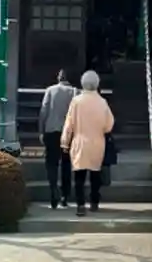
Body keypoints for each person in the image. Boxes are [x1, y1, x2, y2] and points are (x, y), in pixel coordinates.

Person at [61, 69, 115, 216]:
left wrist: (65, 142)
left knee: (79, 176)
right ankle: (94, 202)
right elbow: (109, 125)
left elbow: (69, 124)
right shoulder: (102, 102)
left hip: (79, 142)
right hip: (97, 142)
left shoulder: (76, 101)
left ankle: (80, 205)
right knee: (95, 174)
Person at [38, 70, 76, 208]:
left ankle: (53, 190)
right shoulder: (75, 92)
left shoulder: (50, 90)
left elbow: (44, 111)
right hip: (68, 132)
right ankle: (65, 195)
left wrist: (41, 130)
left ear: (58, 78)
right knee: (66, 164)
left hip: (51, 130)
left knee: (52, 163)